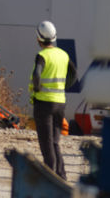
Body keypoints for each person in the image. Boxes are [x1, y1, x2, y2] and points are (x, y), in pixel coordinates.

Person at [29, 21, 78, 179]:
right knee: (56, 141)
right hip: (60, 102)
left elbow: (37, 74)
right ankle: (61, 175)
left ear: (38, 38)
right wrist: (64, 86)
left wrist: (37, 89)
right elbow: (73, 74)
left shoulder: (42, 56)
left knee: (46, 142)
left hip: (44, 103)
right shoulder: (63, 55)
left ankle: (50, 175)